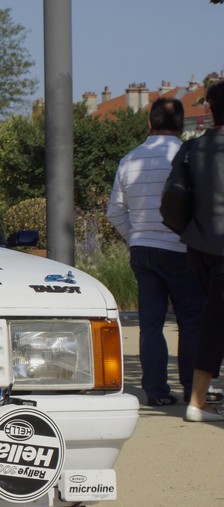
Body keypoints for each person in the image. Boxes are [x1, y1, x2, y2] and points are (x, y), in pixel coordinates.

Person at [107, 97, 206, 407]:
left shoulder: (130, 159)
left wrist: (135, 236)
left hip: (143, 250)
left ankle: (156, 391)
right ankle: (193, 389)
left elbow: (114, 211)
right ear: (180, 124)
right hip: (182, 249)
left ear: (149, 123)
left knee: (151, 324)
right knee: (190, 321)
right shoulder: (188, 156)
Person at [168, 81, 224, 421]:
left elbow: (174, 196)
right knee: (214, 323)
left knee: (214, 319)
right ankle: (198, 401)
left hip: (197, 245)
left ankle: (200, 398)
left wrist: (187, 232)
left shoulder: (191, 149)